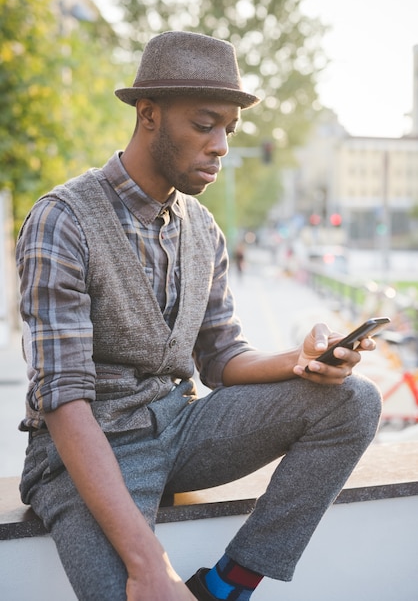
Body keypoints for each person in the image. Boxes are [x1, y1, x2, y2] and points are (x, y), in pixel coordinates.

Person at [16, 31, 382, 601]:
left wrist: (301, 360)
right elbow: (63, 399)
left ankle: (228, 584)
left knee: (354, 400)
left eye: (229, 132)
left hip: (181, 429)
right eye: (204, 124)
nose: (221, 147)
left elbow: (221, 357)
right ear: (148, 115)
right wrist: (150, 566)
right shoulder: (62, 221)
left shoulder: (202, 228)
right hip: (88, 450)